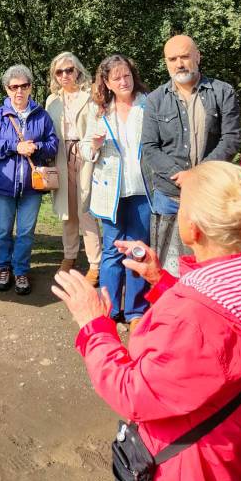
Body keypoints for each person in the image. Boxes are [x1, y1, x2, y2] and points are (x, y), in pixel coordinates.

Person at [52, 161, 241, 481]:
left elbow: (134, 394)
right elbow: (217, 343)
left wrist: (94, 324)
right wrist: (160, 279)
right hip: (229, 457)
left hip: (182, 468)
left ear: (193, 229)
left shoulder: (192, 314)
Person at [142, 35, 240, 274]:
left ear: (198, 57)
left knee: (209, 265)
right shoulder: (155, 99)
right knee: (166, 266)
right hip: (169, 196)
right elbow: (149, 146)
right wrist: (180, 175)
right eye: (172, 59)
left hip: (209, 195)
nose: (179, 63)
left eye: (185, 56)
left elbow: (231, 138)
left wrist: (197, 175)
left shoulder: (222, 92)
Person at [80, 54, 152, 332]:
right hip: (111, 193)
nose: (124, 81)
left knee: (137, 251)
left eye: (127, 75)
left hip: (142, 190)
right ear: (107, 83)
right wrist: (95, 146)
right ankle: (109, 310)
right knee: (111, 251)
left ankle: (135, 310)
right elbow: (85, 150)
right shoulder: (99, 111)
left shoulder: (148, 105)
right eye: (117, 78)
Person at [0, 65, 59, 296]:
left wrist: (36, 146)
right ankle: (3, 268)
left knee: (26, 231)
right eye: (14, 87)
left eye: (24, 86)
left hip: (31, 186)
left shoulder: (42, 116)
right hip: (3, 184)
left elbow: (53, 144)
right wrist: (15, 146)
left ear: (30, 88)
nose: (19, 91)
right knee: (3, 230)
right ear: (7, 89)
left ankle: (21, 270)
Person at [45, 52, 101, 284]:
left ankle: (95, 263)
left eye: (69, 70)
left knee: (85, 210)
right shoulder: (52, 100)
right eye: (59, 72)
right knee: (67, 211)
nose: (65, 75)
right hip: (60, 155)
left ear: (78, 70)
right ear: (54, 75)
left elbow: (98, 126)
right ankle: (69, 256)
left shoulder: (91, 95)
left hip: (87, 155)